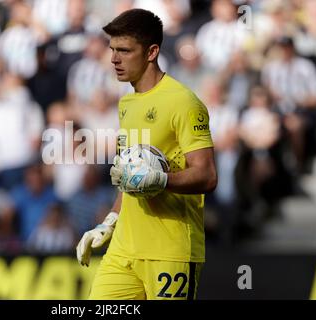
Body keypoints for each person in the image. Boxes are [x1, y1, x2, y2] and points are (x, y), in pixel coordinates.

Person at [76, 9, 217, 300]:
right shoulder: (127, 103)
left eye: (125, 51)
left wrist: (160, 180)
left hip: (170, 250)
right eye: (112, 50)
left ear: (152, 52)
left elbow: (206, 175)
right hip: (124, 248)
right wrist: (109, 222)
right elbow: (130, 177)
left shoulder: (184, 102)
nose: (114, 59)